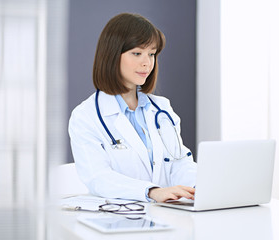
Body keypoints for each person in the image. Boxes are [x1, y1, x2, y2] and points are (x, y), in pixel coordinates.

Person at [68, 13, 196, 203]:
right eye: (137, 53)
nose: (147, 63)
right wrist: (151, 191)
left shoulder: (162, 109)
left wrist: (197, 187)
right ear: (112, 55)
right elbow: (98, 178)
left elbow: (179, 162)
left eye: (151, 54)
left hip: (166, 216)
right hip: (118, 220)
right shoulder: (85, 117)